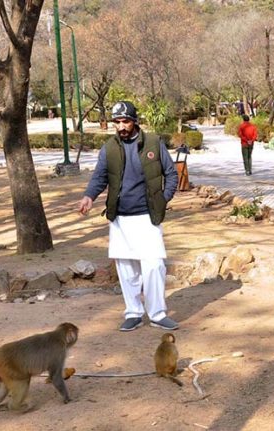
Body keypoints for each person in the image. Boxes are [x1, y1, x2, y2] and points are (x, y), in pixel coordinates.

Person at [78, 101, 179, 332]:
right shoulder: (109, 148)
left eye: (126, 121)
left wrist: (163, 199)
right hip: (120, 218)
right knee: (126, 268)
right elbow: (99, 177)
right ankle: (133, 313)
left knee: (154, 265)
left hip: (148, 216)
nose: (121, 127)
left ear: (135, 121)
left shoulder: (154, 143)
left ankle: (157, 313)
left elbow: (171, 174)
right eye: (117, 122)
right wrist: (88, 197)